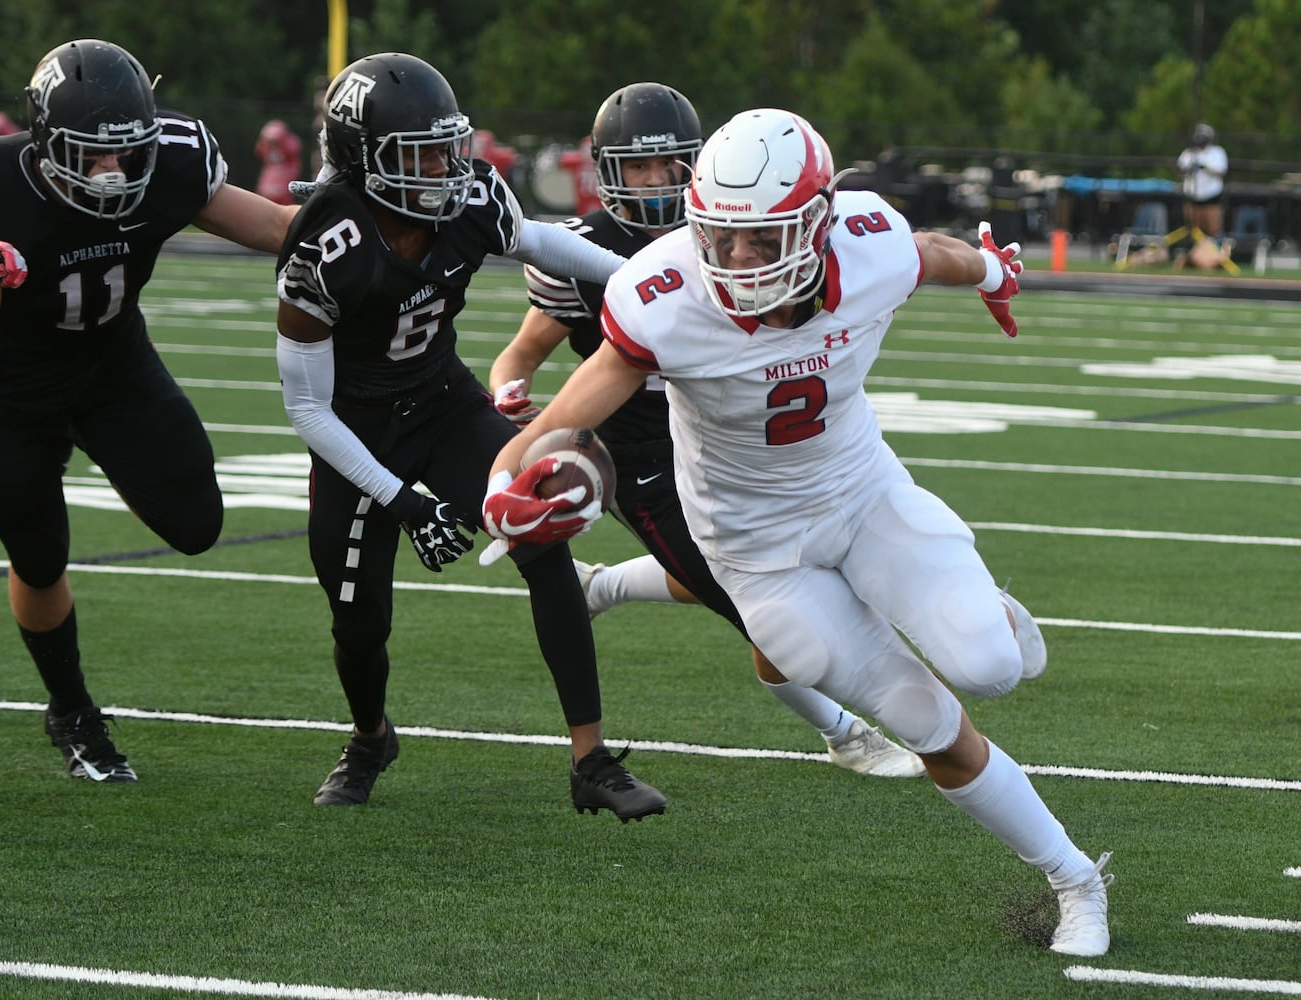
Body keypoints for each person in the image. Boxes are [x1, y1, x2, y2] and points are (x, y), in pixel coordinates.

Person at [483, 109, 1113, 956]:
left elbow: (934, 253)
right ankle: (1075, 877)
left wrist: (993, 272)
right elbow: (571, 412)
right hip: (757, 552)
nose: (736, 261)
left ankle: (983, 614)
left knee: (991, 667)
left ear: (818, 225)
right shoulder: (665, 295)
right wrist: (506, 479)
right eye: (721, 237)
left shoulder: (869, 244)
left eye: (763, 240)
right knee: (929, 726)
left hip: (861, 494)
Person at [488, 82, 923, 778]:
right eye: (639, 167)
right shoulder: (583, 252)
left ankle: (601, 588)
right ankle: (845, 733)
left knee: (784, 569)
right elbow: (523, 351)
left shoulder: (737, 229)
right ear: (607, 170)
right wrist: (510, 392)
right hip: (649, 456)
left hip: (736, 438)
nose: (658, 183)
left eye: (671, 166)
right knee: (763, 606)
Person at [274, 52, 665, 820]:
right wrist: (402, 502)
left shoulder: (469, 194)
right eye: (417, 154)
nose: (443, 167)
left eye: (446, 145)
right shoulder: (324, 250)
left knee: (544, 543)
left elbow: (539, 242)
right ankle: (368, 737)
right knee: (359, 621)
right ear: (363, 160)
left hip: (444, 402)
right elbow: (308, 410)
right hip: (358, 431)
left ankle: (592, 760)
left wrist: (636, 277)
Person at [0, 38, 299, 783]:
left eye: (126, 154)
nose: (113, 173)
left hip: (113, 369)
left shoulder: (172, 157)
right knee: (38, 554)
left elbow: (276, 231)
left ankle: (114, 460)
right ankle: (71, 710)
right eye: (90, 156)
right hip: (10, 392)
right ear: (47, 146)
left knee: (197, 524)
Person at [1177, 122, 1228, 239]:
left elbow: (1221, 171)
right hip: (1192, 196)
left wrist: (1204, 167)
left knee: (1213, 230)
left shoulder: (1217, 152)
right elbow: (1180, 169)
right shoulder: (1188, 153)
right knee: (1194, 231)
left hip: (1211, 196)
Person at [254, 119, 303, 206]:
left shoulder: (289, 157)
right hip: (269, 184)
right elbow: (259, 151)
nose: (273, 145)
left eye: (276, 142)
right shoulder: (268, 154)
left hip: (283, 184)